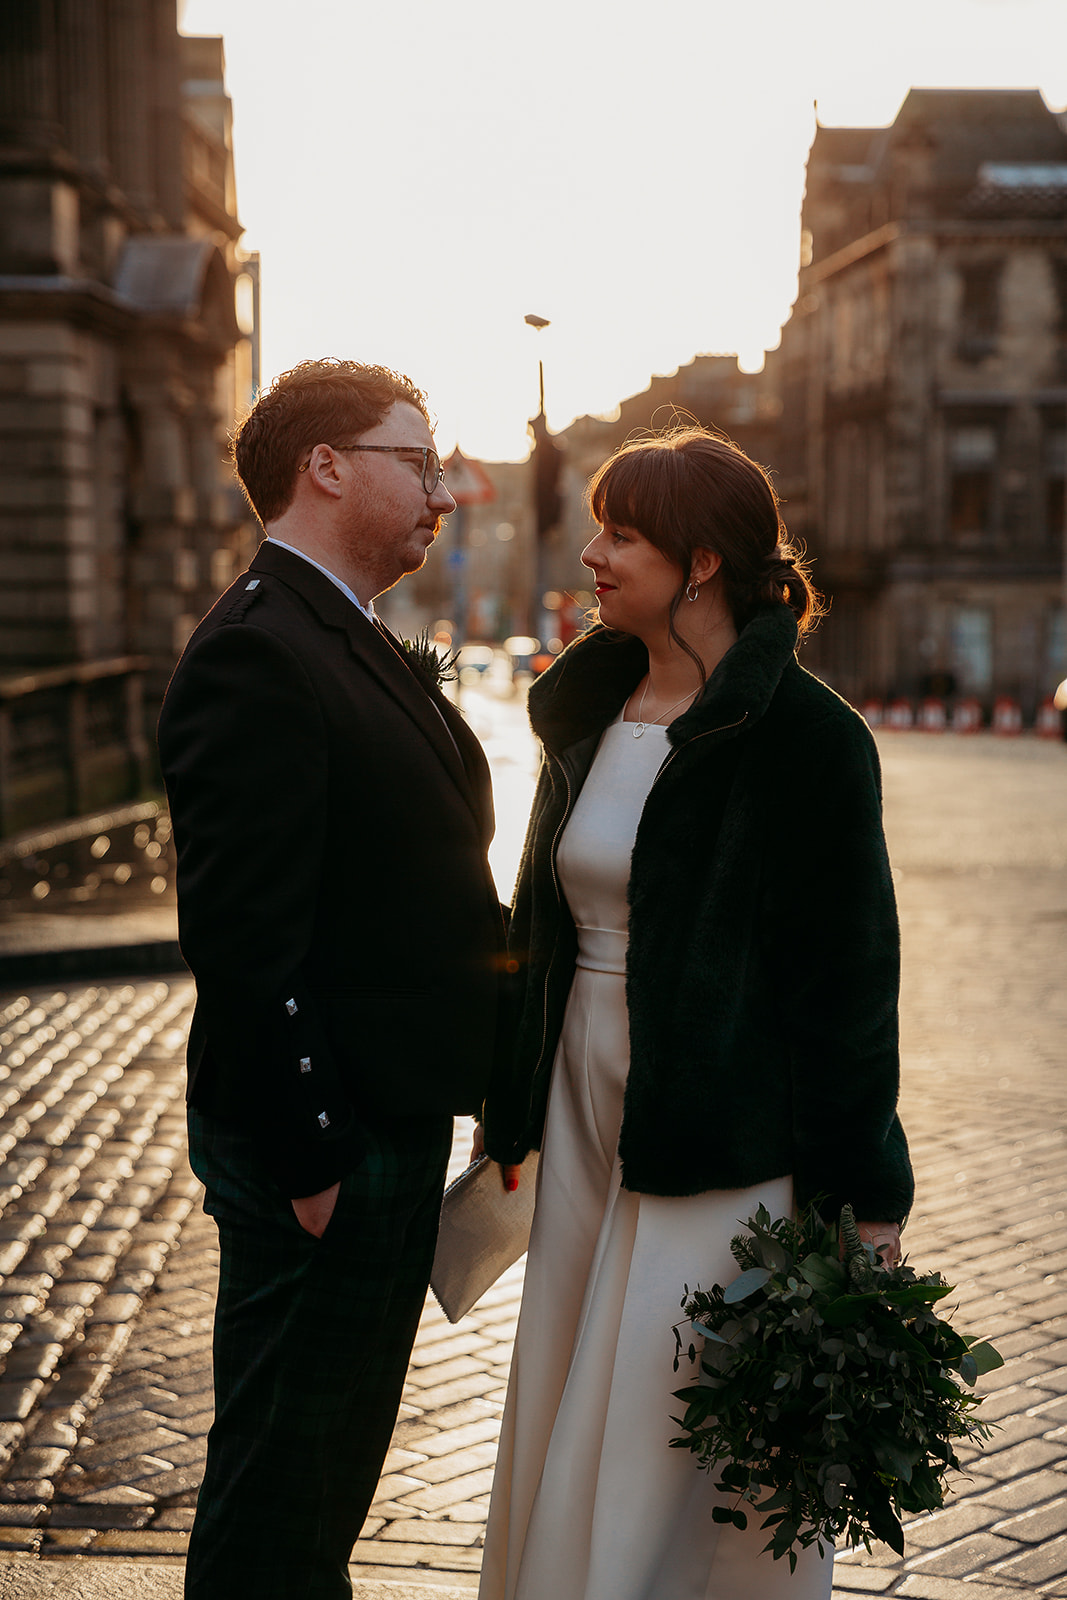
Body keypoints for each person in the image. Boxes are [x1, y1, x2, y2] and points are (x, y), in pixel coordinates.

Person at [479, 428, 913, 1600]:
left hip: (721, 1128)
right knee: (572, 1373)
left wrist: (864, 1199)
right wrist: (507, 1104)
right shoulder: (583, 712)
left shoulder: (809, 740)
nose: (591, 553)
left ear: (702, 561)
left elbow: (846, 985)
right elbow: (540, 931)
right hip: (582, 1100)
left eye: (620, 532)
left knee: (674, 1420)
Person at [157, 359, 507, 1600]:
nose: (441, 490)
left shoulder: (332, 633)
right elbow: (249, 938)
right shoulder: (262, 649)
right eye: (416, 460)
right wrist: (314, 1160)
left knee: (319, 1496)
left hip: (379, 1129)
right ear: (326, 467)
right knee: (280, 1501)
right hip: (330, 1144)